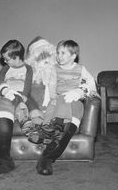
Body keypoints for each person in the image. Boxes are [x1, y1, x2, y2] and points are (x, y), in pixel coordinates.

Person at [31, 39, 99, 175]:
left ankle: (47, 153)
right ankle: (47, 157)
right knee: (59, 103)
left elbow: (91, 82)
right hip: (59, 101)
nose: (59, 56)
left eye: (63, 53)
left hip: (74, 102)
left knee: (67, 123)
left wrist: (87, 90)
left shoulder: (80, 69)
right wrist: (52, 99)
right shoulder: (55, 68)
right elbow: (52, 85)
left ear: (73, 56)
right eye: (58, 53)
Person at [0, 39, 40, 177]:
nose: (4, 62)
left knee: (23, 106)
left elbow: (27, 87)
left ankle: (28, 123)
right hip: (5, 95)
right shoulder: (6, 68)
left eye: (6, 59)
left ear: (16, 57)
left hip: (21, 97)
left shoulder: (28, 69)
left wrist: (22, 99)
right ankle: (4, 161)